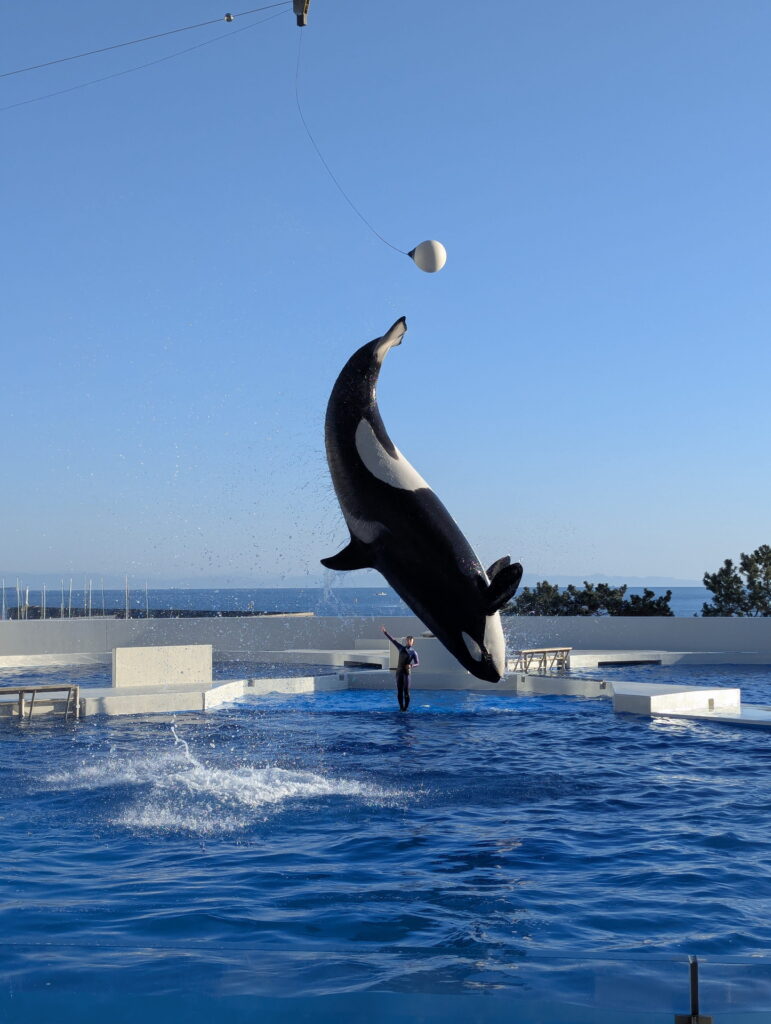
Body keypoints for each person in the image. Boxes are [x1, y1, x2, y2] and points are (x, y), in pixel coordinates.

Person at [381, 626, 419, 711]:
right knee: (399, 691)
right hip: (399, 672)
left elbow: (418, 663)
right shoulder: (401, 648)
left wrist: (411, 666)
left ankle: (406, 708)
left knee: (406, 692)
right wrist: (385, 632)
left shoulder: (414, 652)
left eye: (411, 641)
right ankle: (401, 707)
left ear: (413, 643)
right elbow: (393, 640)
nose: (409, 641)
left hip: (406, 673)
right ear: (406, 641)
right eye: (408, 640)